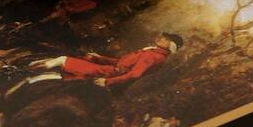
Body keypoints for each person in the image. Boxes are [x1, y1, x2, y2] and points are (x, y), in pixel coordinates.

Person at [30, 33, 182, 88]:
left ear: (171, 46)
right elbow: (122, 62)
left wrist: (107, 82)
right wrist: (100, 58)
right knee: (80, 57)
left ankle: (31, 71)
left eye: (166, 39)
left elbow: (134, 74)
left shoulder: (152, 56)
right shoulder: (154, 52)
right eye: (164, 36)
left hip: (110, 74)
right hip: (112, 70)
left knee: (63, 59)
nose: (161, 38)